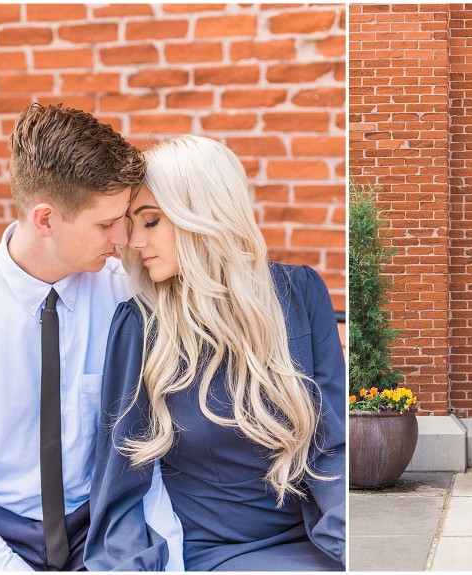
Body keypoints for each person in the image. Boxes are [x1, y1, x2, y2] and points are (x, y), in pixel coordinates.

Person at [84, 135, 346, 571]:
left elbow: (331, 447)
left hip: (318, 539)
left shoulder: (300, 293)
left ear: (201, 216)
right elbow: (118, 489)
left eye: (150, 222)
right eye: (132, 224)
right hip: (222, 554)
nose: (133, 242)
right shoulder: (141, 325)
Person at [0, 103, 183, 571]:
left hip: (107, 532)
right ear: (45, 220)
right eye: (106, 224)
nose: (124, 238)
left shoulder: (128, 297)